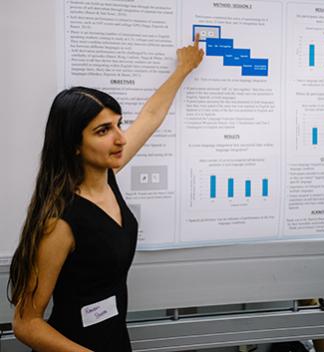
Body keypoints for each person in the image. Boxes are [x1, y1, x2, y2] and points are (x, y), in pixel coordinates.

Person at [8, 35, 204, 351]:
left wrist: (183, 68)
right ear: (74, 144)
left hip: (114, 338)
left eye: (118, 124)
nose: (120, 138)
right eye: (103, 130)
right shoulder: (60, 221)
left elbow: (151, 116)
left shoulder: (107, 176)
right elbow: (25, 322)